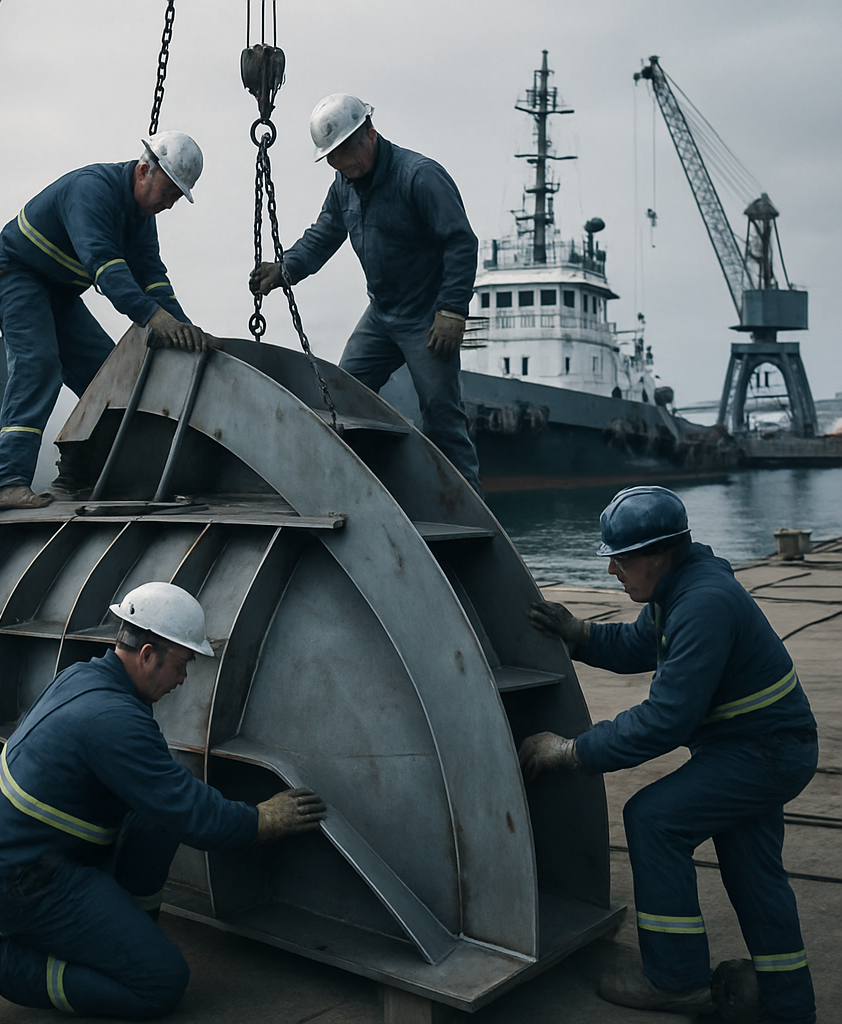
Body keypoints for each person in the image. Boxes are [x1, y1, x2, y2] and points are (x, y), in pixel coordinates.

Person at [0, 582, 326, 1023]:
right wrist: (262, 820)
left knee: (157, 813)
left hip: (23, 855)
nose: (183, 680)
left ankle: (129, 935)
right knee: (159, 983)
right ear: (146, 654)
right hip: (22, 880)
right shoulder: (111, 719)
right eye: (182, 664)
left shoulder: (85, 677)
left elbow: (167, 800)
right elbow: (197, 816)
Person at [520, 486, 818, 1024]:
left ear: (658, 555)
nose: (611, 569)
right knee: (753, 872)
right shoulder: (680, 588)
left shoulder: (703, 603)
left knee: (654, 819)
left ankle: (674, 979)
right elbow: (641, 645)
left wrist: (569, 752)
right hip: (767, 747)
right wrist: (580, 635)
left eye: (620, 558)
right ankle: (788, 1004)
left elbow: (663, 721)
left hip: (761, 752)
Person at [249, 94, 483, 496]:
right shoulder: (344, 186)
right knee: (340, 396)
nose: (341, 163)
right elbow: (322, 237)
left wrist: (452, 311)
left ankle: (472, 510)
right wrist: (283, 269)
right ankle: (351, 492)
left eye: (346, 152)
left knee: (441, 415)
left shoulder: (420, 177)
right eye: (332, 157)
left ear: (370, 133)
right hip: (382, 314)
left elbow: (460, 242)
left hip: (426, 317)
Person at [0, 132, 216, 512]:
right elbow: (106, 266)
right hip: (18, 274)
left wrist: (183, 326)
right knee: (39, 364)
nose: (169, 205)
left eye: (176, 198)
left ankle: (77, 476)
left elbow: (152, 276)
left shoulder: (141, 218)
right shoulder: (92, 191)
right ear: (144, 171)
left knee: (107, 377)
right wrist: (153, 317)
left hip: (59, 291)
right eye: (168, 193)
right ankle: (7, 482)